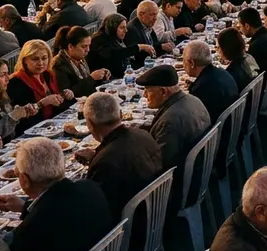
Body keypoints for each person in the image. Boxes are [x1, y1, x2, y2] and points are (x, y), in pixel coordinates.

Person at [76, 92, 163, 222]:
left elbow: (98, 208)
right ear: (121, 115)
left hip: (132, 224)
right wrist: (97, 155)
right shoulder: (143, 135)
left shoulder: (104, 162)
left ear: (90, 124)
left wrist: (97, 159)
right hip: (158, 208)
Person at [137, 65, 211, 173]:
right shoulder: (193, 100)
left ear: (163, 92)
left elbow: (159, 164)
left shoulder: (169, 122)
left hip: (181, 176)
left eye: (147, 90)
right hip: (199, 166)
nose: (144, 95)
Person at [7, 40, 71, 125]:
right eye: (35, 59)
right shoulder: (15, 82)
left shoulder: (48, 75)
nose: (40, 63)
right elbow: (23, 118)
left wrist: (65, 95)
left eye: (44, 58)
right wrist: (42, 103)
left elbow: (57, 105)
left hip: (54, 123)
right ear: (24, 60)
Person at [183, 40, 239, 121]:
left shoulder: (199, 89)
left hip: (219, 126)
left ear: (192, 63)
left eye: (184, 60)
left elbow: (193, 120)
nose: (183, 64)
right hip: (234, 120)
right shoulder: (222, 72)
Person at [88, 14, 154, 79]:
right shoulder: (99, 40)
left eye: (125, 27)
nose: (126, 31)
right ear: (113, 28)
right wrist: (139, 47)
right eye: (122, 28)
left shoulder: (114, 38)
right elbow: (115, 54)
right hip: (105, 78)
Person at [51, 26, 110, 98]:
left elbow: (86, 79)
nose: (88, 50)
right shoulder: (58, 65)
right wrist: (91, 78)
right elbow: (67, 94)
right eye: (84, 46)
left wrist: (101, 75)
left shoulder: (79, 56)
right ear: (70, 47)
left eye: (88, 46)